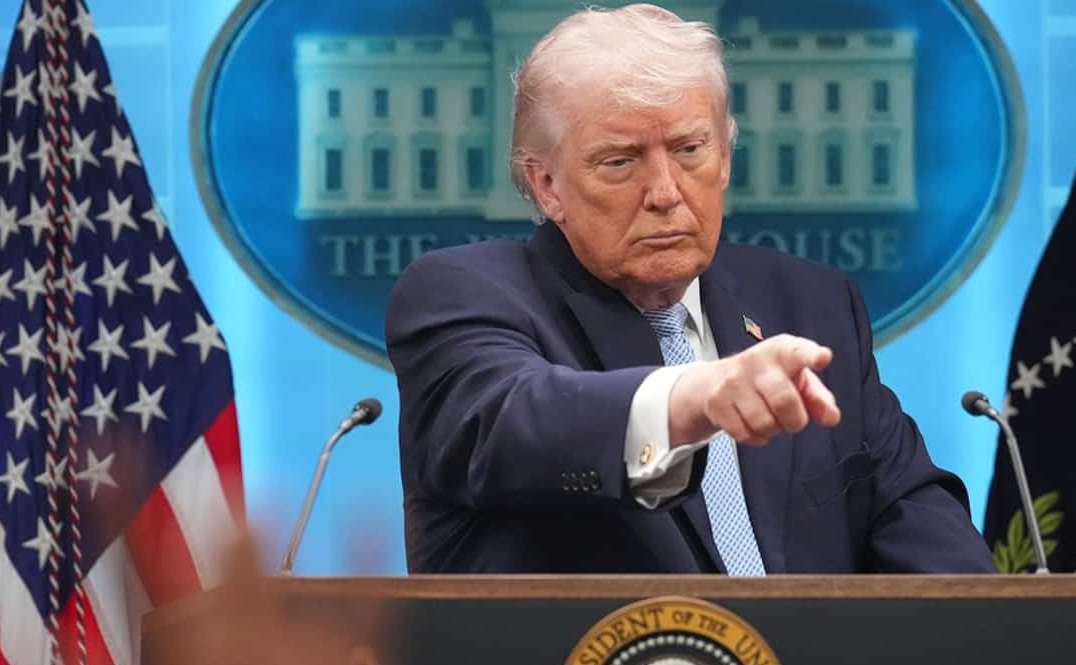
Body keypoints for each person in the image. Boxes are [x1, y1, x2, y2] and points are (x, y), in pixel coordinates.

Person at [386, 3, 994, 575]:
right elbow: (514, 423)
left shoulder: (811, 306)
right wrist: (692, 400)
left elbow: (916, 521)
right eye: (620, 161)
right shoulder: (465, 294)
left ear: (726, 157)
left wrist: (1010, 635)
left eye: (689, 150)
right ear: (547, 186)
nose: (666, 191)